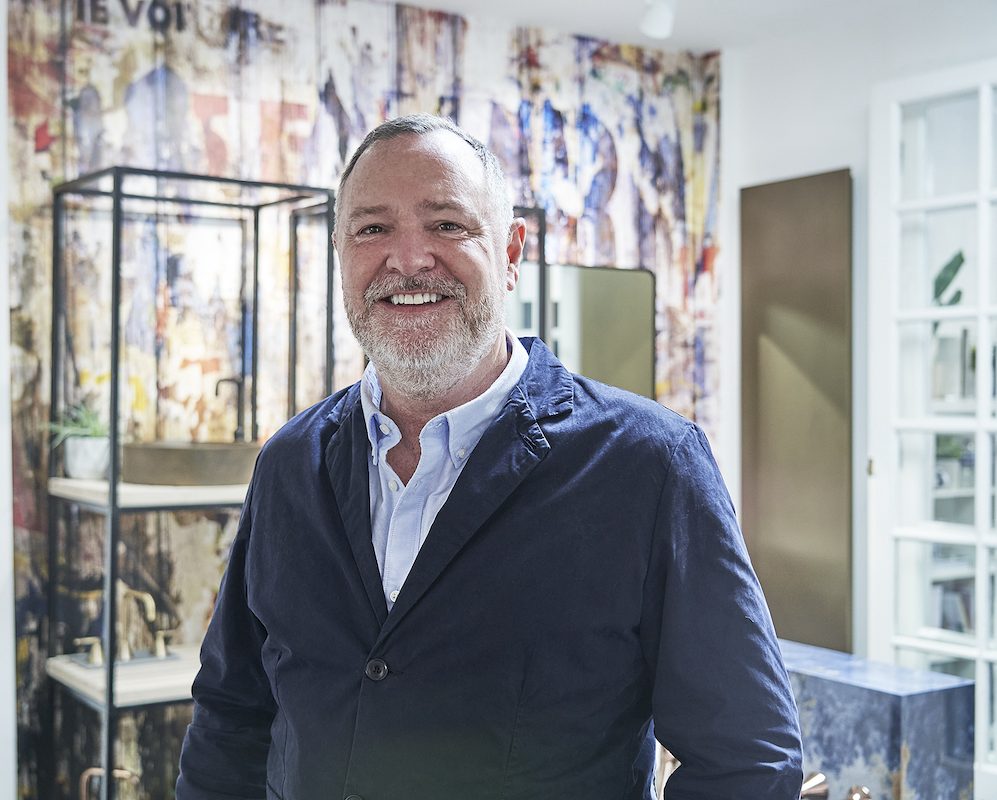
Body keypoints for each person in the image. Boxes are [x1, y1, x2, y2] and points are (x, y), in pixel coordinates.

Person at [176, 114, 803, 799]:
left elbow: (748, 763)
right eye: (372, 228)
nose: (408, 259)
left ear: (509, 252)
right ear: (340, 254)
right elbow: (231, 719)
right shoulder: (289, 463)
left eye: (446, 224)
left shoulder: (650, 467)